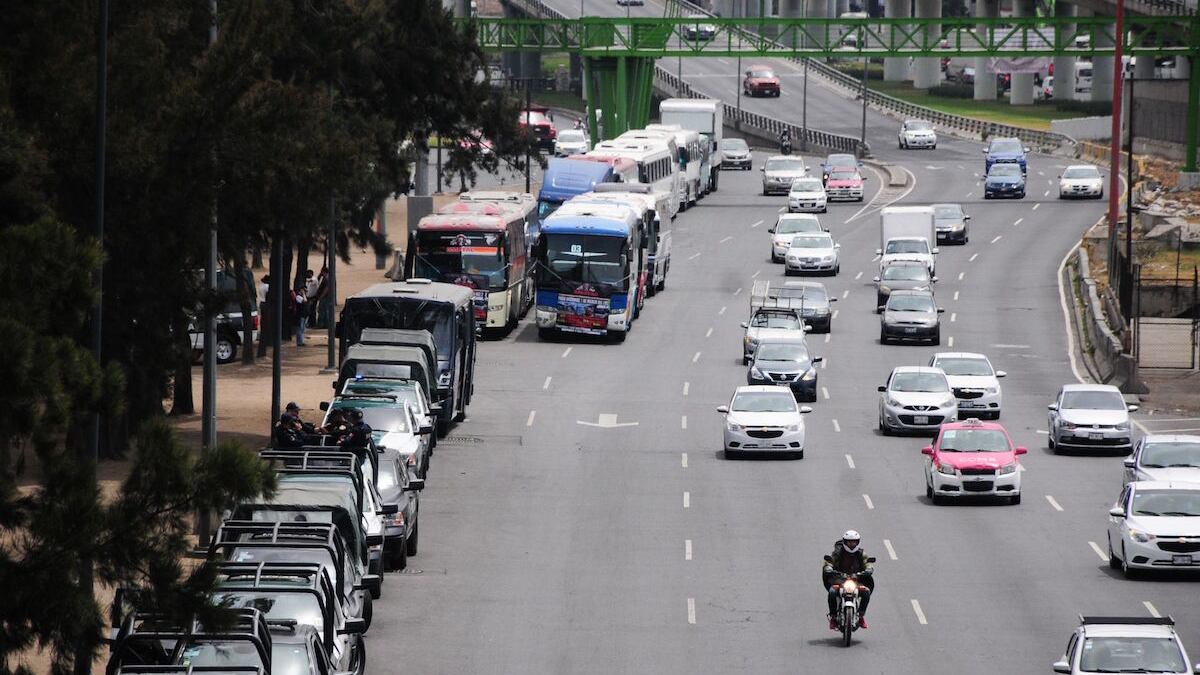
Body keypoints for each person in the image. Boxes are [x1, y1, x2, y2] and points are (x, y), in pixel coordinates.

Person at [822, 529, 874, 630]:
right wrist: (828, 567)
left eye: (854, 541)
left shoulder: (861, 553)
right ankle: (833, 617)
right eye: (849, 542)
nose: (852, 544)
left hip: (857, 579)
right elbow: (830, 562)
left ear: (857, 542)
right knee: (832, 592)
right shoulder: (838, 552)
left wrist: (869, 569)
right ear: (845, 542)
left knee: (866, 592)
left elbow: (867, 563)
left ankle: (861, 616)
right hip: (839, 579)